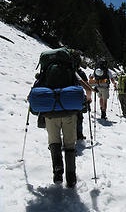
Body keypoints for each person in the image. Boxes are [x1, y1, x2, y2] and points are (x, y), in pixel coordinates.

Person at [35, 48, 93, 188]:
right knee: (69, 144)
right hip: (69, 114)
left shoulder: (46, 71)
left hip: (50, 113)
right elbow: (88, 89)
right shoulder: (71, 71)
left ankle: (57, 171)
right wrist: (88, 100)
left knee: (54, 142)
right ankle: (71, 177)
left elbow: (35, 89)